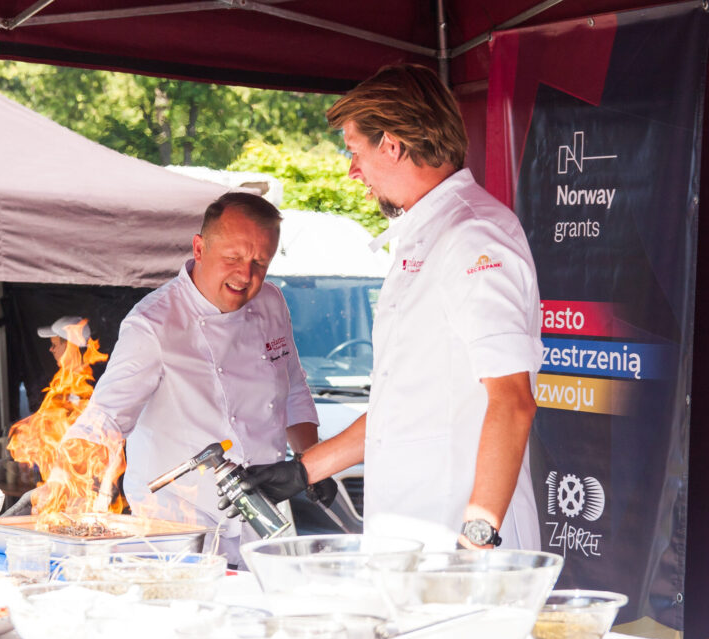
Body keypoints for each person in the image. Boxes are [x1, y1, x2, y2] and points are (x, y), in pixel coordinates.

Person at [224, 64, 542, 551]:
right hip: (406, 540)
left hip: (462, 546)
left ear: (391, 145)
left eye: (355, 151)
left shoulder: (474, 236)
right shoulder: (424, 237)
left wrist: (478, 537)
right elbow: (402, 410)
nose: (353, 171)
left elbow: (512, 400)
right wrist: (302, 471)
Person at [64, 192, 323, 565]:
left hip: (264, 516)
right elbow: (106, 417)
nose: (245, 275)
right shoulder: (152, 324)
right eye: (232, 258)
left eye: (259, 263)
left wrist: (310, 464)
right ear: (199, 249)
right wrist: (65, 479)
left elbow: (293, 388)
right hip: (178, 528)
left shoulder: (270, 302)